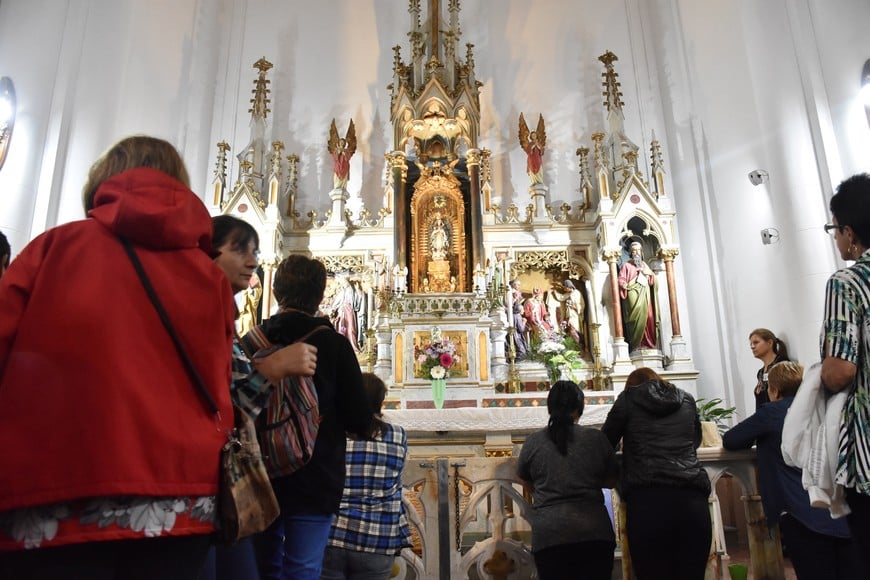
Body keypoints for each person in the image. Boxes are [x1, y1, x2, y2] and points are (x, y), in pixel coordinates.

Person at [0, 136, 235, 578]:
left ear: (103, 179)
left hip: (51, 493)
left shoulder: (55, 248)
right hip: (177, 503)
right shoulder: (210, 278)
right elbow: (219, 381)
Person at [200, 215, 318, 580]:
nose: (253, 261)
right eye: (241, 249)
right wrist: (271, 369)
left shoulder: (224, 316)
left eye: (256, 251)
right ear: (208, 252)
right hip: (205, 484)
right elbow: (225, 407)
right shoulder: (200, 314)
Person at [248, 254, 373, 580]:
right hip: (314, 473)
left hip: (258, 472)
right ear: (320, 295)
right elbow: (359, 416)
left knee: (264, 567)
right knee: (303, 569)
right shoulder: (333, 344)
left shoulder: (251, 340)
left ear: (275, 291)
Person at [723, 362, 855, 579]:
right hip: (840, 509)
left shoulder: (772, 413)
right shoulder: (823, 407)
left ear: (773, 390)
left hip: (802, 512)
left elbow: (731, 439)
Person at [601, 367, 712, 580]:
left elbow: (605, 445)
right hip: (692, 499)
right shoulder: (686, 399)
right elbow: (694, 439)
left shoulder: (628, 399)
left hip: (648, 502)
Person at [819, 173, 870, 576]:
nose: (836, 238)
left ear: (850, 233)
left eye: (834, 229)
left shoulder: (848, 282)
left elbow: (839, 373)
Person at [517, 381, 618, 580]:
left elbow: (526, 482)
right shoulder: (595, 439)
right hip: (594, 531)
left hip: (550, 535)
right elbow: (612, 479)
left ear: (550, 408)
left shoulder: (533, 442)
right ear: (580, 407)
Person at [321, 373, 411, 580]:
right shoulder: (397, 435)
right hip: (377, 537)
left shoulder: (328, 431)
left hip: (331, 534)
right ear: (380, 401)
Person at [618, 241, 657, 351]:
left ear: (641, 252)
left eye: (638, 250)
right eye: (633, 250)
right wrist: (623, 283)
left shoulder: (644, 265)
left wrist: (648, 273)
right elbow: (621, 278)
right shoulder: (626, 265)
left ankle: (648, 343)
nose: (636, 252)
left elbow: (652, 281)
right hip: (632, 294)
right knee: (634, 319)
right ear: (630, 252)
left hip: (645, 295)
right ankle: (636, 344)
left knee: (648, 317)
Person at [748, 328, 790, 409]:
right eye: (751, 344)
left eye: (756, 342)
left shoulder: (781, 366)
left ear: (770, 343)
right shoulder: (760, 373)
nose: (752, 347)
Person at [328, 119, 356, 190]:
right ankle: (337, 188)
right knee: (337, 181)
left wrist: (344, 153)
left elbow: (348, 158)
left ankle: (343, 188)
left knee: (343, 183)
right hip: (338, 167)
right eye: (340, 142)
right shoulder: (336, 150)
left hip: (345, 167)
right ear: (338, 143)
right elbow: (335, 158)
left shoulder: (347, 150)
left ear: (344, 144)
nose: (342, 143)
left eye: (343, 143)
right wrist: (339, 153)